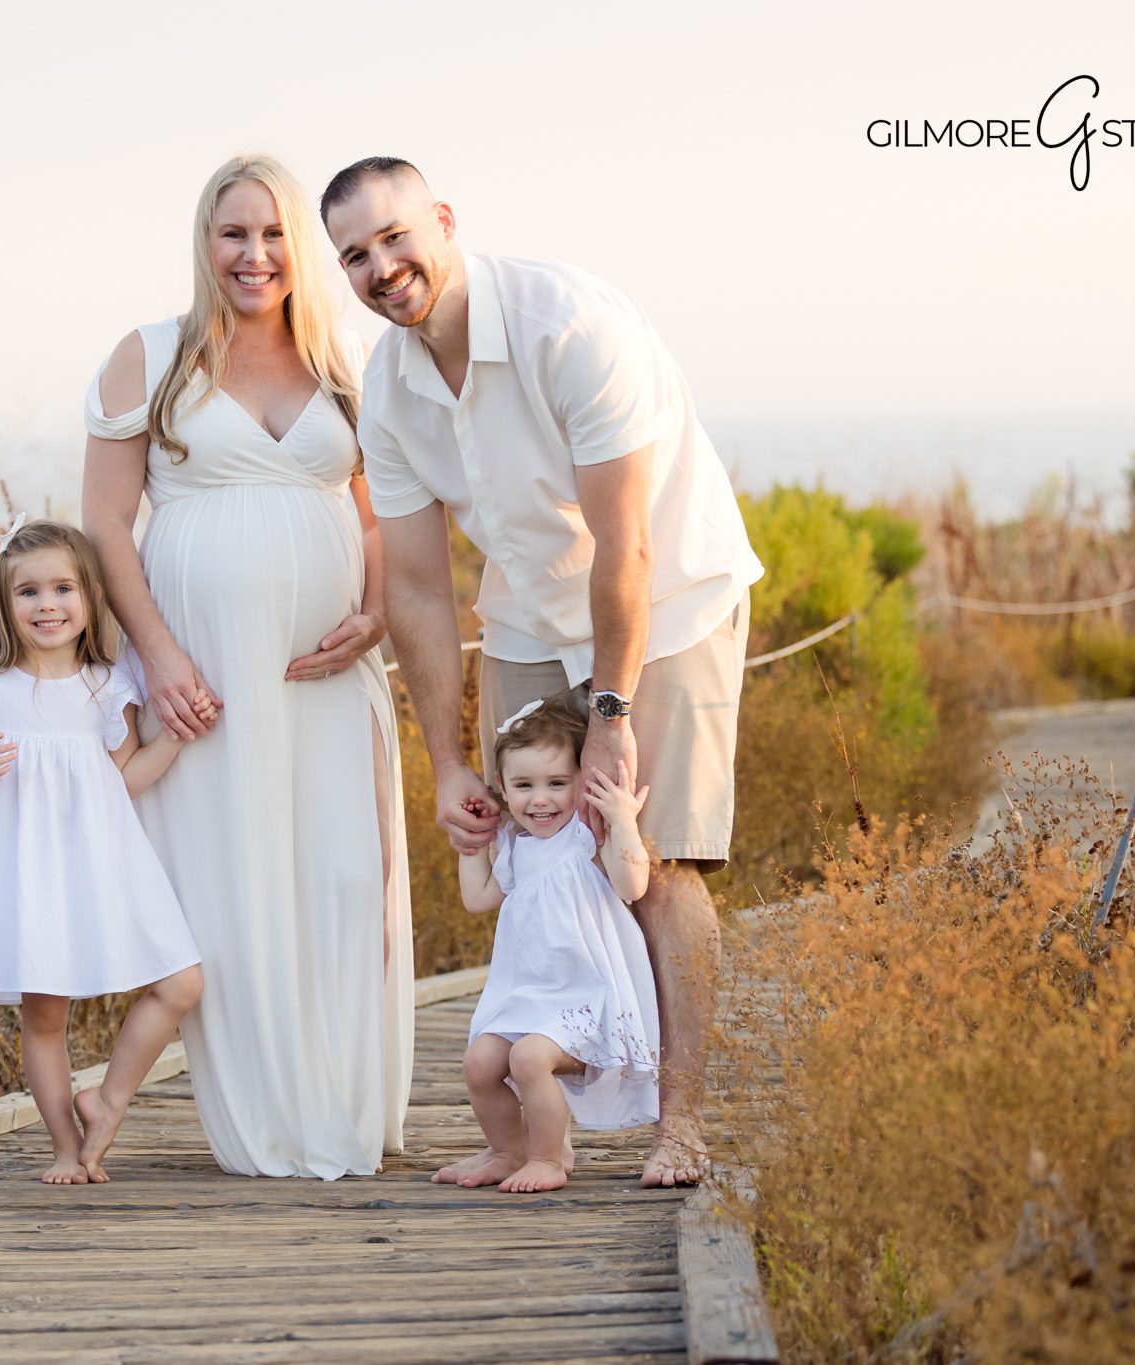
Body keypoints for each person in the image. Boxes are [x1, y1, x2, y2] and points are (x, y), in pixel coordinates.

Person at [321, 156, 764, 1187]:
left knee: (662, 858)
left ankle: (678, 1122)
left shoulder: (570, 326)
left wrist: (610, 710)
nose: (381, 269)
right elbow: (422, 593)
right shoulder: (385, 392)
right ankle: (528, 1128)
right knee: (526, 846)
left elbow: (626, 549)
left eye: (394, 238)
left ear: (440, 220)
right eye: (354, 256)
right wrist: (443, 762)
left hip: (669, 598)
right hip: (524, 614)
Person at [82, 153, 414, 1180]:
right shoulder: (147, 356)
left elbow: (378, 514)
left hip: (328, 671)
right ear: (203, 241)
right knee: (232, 886)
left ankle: (349, 1112)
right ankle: (264, 1121)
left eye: (273, 235)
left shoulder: (345, 357)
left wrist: (374, 616)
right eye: (234, 233)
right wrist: (161, 656)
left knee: (345, 874)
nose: (254, 254)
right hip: (207, 684)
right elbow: (103, 518)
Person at [0, 518, 205, 1185]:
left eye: (62, 588)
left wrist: (174, 739)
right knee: (45, 1011)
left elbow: (125, 777)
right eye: (28, 592)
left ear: (89, 597)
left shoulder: (109, 684)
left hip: (106, 858)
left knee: (181, 981)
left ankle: (107, 1100)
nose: (47, 604)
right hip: (29, 869)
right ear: (6, 604)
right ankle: (64, 1145)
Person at [441, 695, 660, 1194]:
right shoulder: (517, 846)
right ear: (502, 788)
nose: (540, 800)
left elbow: (632, 887)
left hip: (584, 995)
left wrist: (623, 821)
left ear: (581, 783)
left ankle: (548, 1158)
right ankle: (506, 1151)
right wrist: (472, 845)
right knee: (479, 1063)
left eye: (557, 784)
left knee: (529, 1059)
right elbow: (478, 898)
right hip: (528, 995)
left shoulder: (585, 836)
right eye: (523, 786)